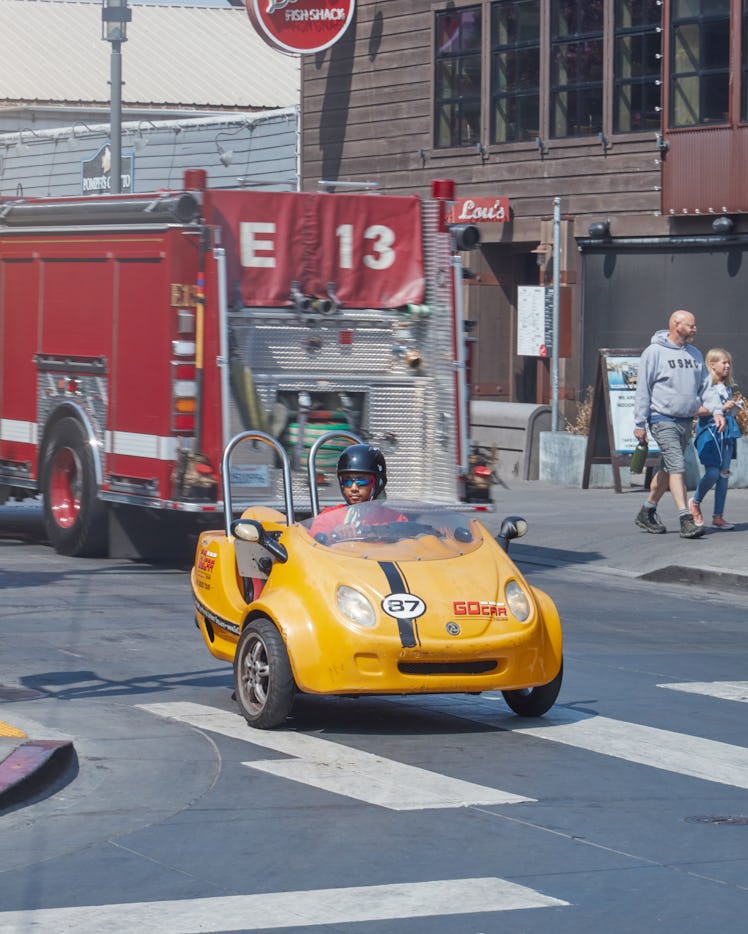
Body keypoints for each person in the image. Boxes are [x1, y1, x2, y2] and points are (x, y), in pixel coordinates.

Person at [633, 310, 724, 539]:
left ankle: (647, 510)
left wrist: (717, 411)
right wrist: (640, 423)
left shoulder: (694, 354)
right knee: (677, 467)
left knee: (667, 468)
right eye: (690, 325)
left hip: (685, 420)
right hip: (662, 418)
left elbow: (706, 387)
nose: (695, 329)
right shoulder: (654, 352)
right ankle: (686, 519)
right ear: (675, 325)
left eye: (694, 325)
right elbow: (643, 388)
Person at [689, 348, 742, 531]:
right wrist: (720, 407)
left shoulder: (727, 386)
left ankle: (718, 517)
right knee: (712, 472)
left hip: (727, 433)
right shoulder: (704, 386)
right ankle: (694, 502)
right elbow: (695, 410)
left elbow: (726, 411)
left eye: (729, 363)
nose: (727, 366)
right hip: (709, 433)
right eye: (723, 362)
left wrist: (733, 409)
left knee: (723, 475)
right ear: (712, 365)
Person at [309, 443, 405, 541]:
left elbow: (411, 545)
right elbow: (315, 543)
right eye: (347, 481)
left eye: (361, 480)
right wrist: (333, 534)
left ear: (377, 483)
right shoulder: (328, 517)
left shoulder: (395, 519)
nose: (353, 488)